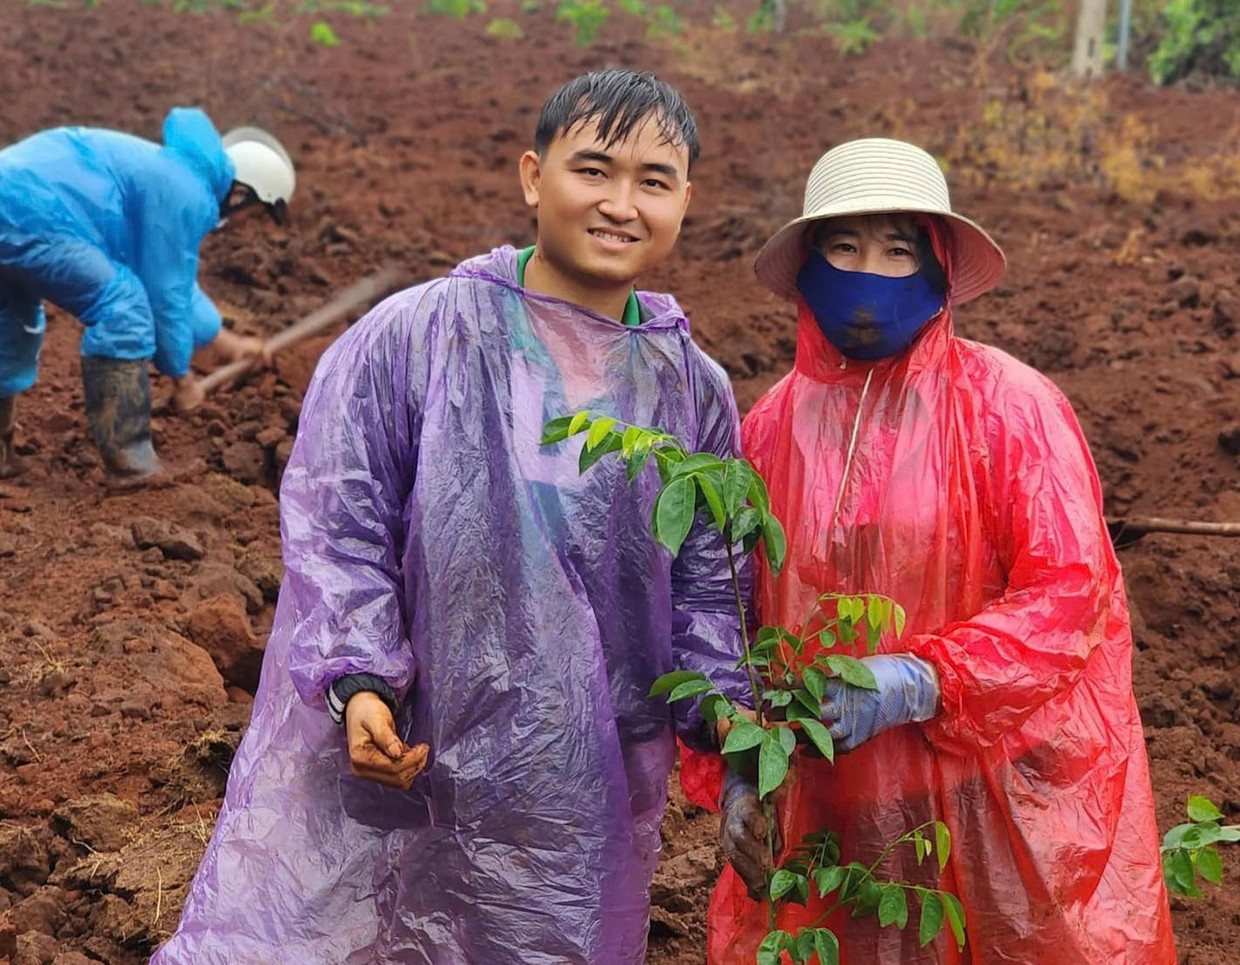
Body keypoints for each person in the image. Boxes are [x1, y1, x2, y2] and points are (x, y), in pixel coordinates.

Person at [152, 69, 748, 964]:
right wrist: (358, 681)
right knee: (369, 924)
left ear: (686, 201)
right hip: (408, 737)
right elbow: (340, 522)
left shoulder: (692, 388)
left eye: (653, 182)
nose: (622, 203)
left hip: (582, 776)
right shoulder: (417, 335)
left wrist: (731, 720)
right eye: (594, 169)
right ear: (532, 176)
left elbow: (709, 582)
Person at [690, 138, 1177, 963]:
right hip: (831, 793)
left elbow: (1069, 595)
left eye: (897, 248)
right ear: (808, 265)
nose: (868, 272)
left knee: (1005, 931)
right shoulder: (773, 424)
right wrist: (743, 760)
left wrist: (924, 678)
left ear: (938, 265)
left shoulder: (1009, 409)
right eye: (843, 247)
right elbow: (736, 613)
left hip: (993, 782)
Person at [0, 108, 292, 479]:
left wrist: (225, 341)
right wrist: (181, 379)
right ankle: (131, 465)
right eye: (255, 213)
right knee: (124, 307)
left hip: (15, 199)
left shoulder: (173, 174)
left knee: (11, 319)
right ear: (241, 194)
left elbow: (172, 281)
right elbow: (165, 295)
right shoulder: (188, 194)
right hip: (35, 212)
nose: (246, 225)